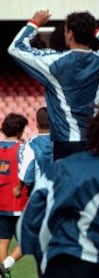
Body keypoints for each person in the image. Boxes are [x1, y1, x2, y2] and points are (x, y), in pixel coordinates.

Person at [16, 105, 99, 278]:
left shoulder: (57, 168)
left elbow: (30, 218)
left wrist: (40, 259)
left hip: (54, 265)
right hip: (96, 266)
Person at [8, 9, 99, 160]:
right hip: (95, 141)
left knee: (65, 183)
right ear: (90, 33)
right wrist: (97, 31)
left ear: (69, 34)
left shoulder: (53, 63)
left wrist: (34, 23)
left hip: (65, 143)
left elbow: (16, 48)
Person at [0, 113, 28, 278]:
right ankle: (7, 264)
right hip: (18, 202)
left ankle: (3, 273)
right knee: (30, 240)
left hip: (1, 202)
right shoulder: (23, 149)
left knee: (3, 241)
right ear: (20, 131)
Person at [14, 107, 53, 198]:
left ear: (37, 125)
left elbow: (27, 171)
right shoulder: (62, 142)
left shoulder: (31, 144)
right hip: (59, 191)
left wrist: (19, 188)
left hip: (39, 192)